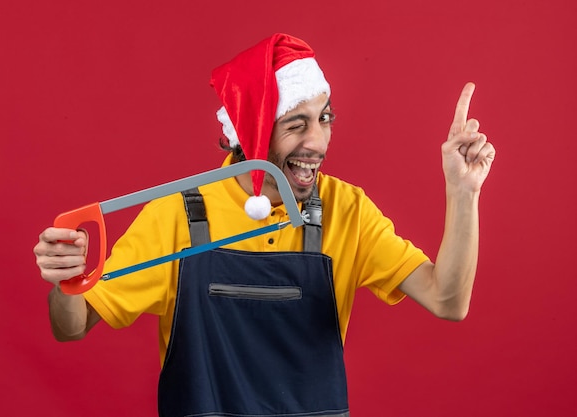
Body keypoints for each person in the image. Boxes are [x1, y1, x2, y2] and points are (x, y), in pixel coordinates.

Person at [34, 33, 495, 417]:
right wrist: (68, 280)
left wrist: (462, 193)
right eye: (297, 125)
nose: (318, 141)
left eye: (325, 119)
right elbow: (71, 327)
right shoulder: (178, 213)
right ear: (253, 131)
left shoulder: (347, 210)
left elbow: (447, 301)